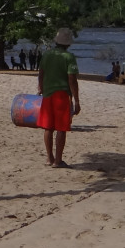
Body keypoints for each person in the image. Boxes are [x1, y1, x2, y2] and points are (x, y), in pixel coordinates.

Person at [37, 27, 81, 168]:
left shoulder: (47, 55)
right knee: (61, 128)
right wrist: (77, 100)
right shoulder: (69, 57)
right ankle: (58, 160)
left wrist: (41, 88)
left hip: (48, 94)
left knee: (48, 127)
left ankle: (49, 158)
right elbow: (72, 80)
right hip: (62, 96)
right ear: (68, 43)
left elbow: (41, 73)